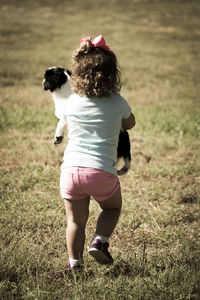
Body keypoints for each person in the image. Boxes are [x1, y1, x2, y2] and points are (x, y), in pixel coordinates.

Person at [60, 35, 135, 269]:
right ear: (112, 74)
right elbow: (130, 123)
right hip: (100, 172)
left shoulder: (71, 102)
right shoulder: (117, 101)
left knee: (75, 221)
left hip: (71, 171)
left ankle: (75, 265)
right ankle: (100, 241)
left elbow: (70, 124)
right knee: (112, 208)